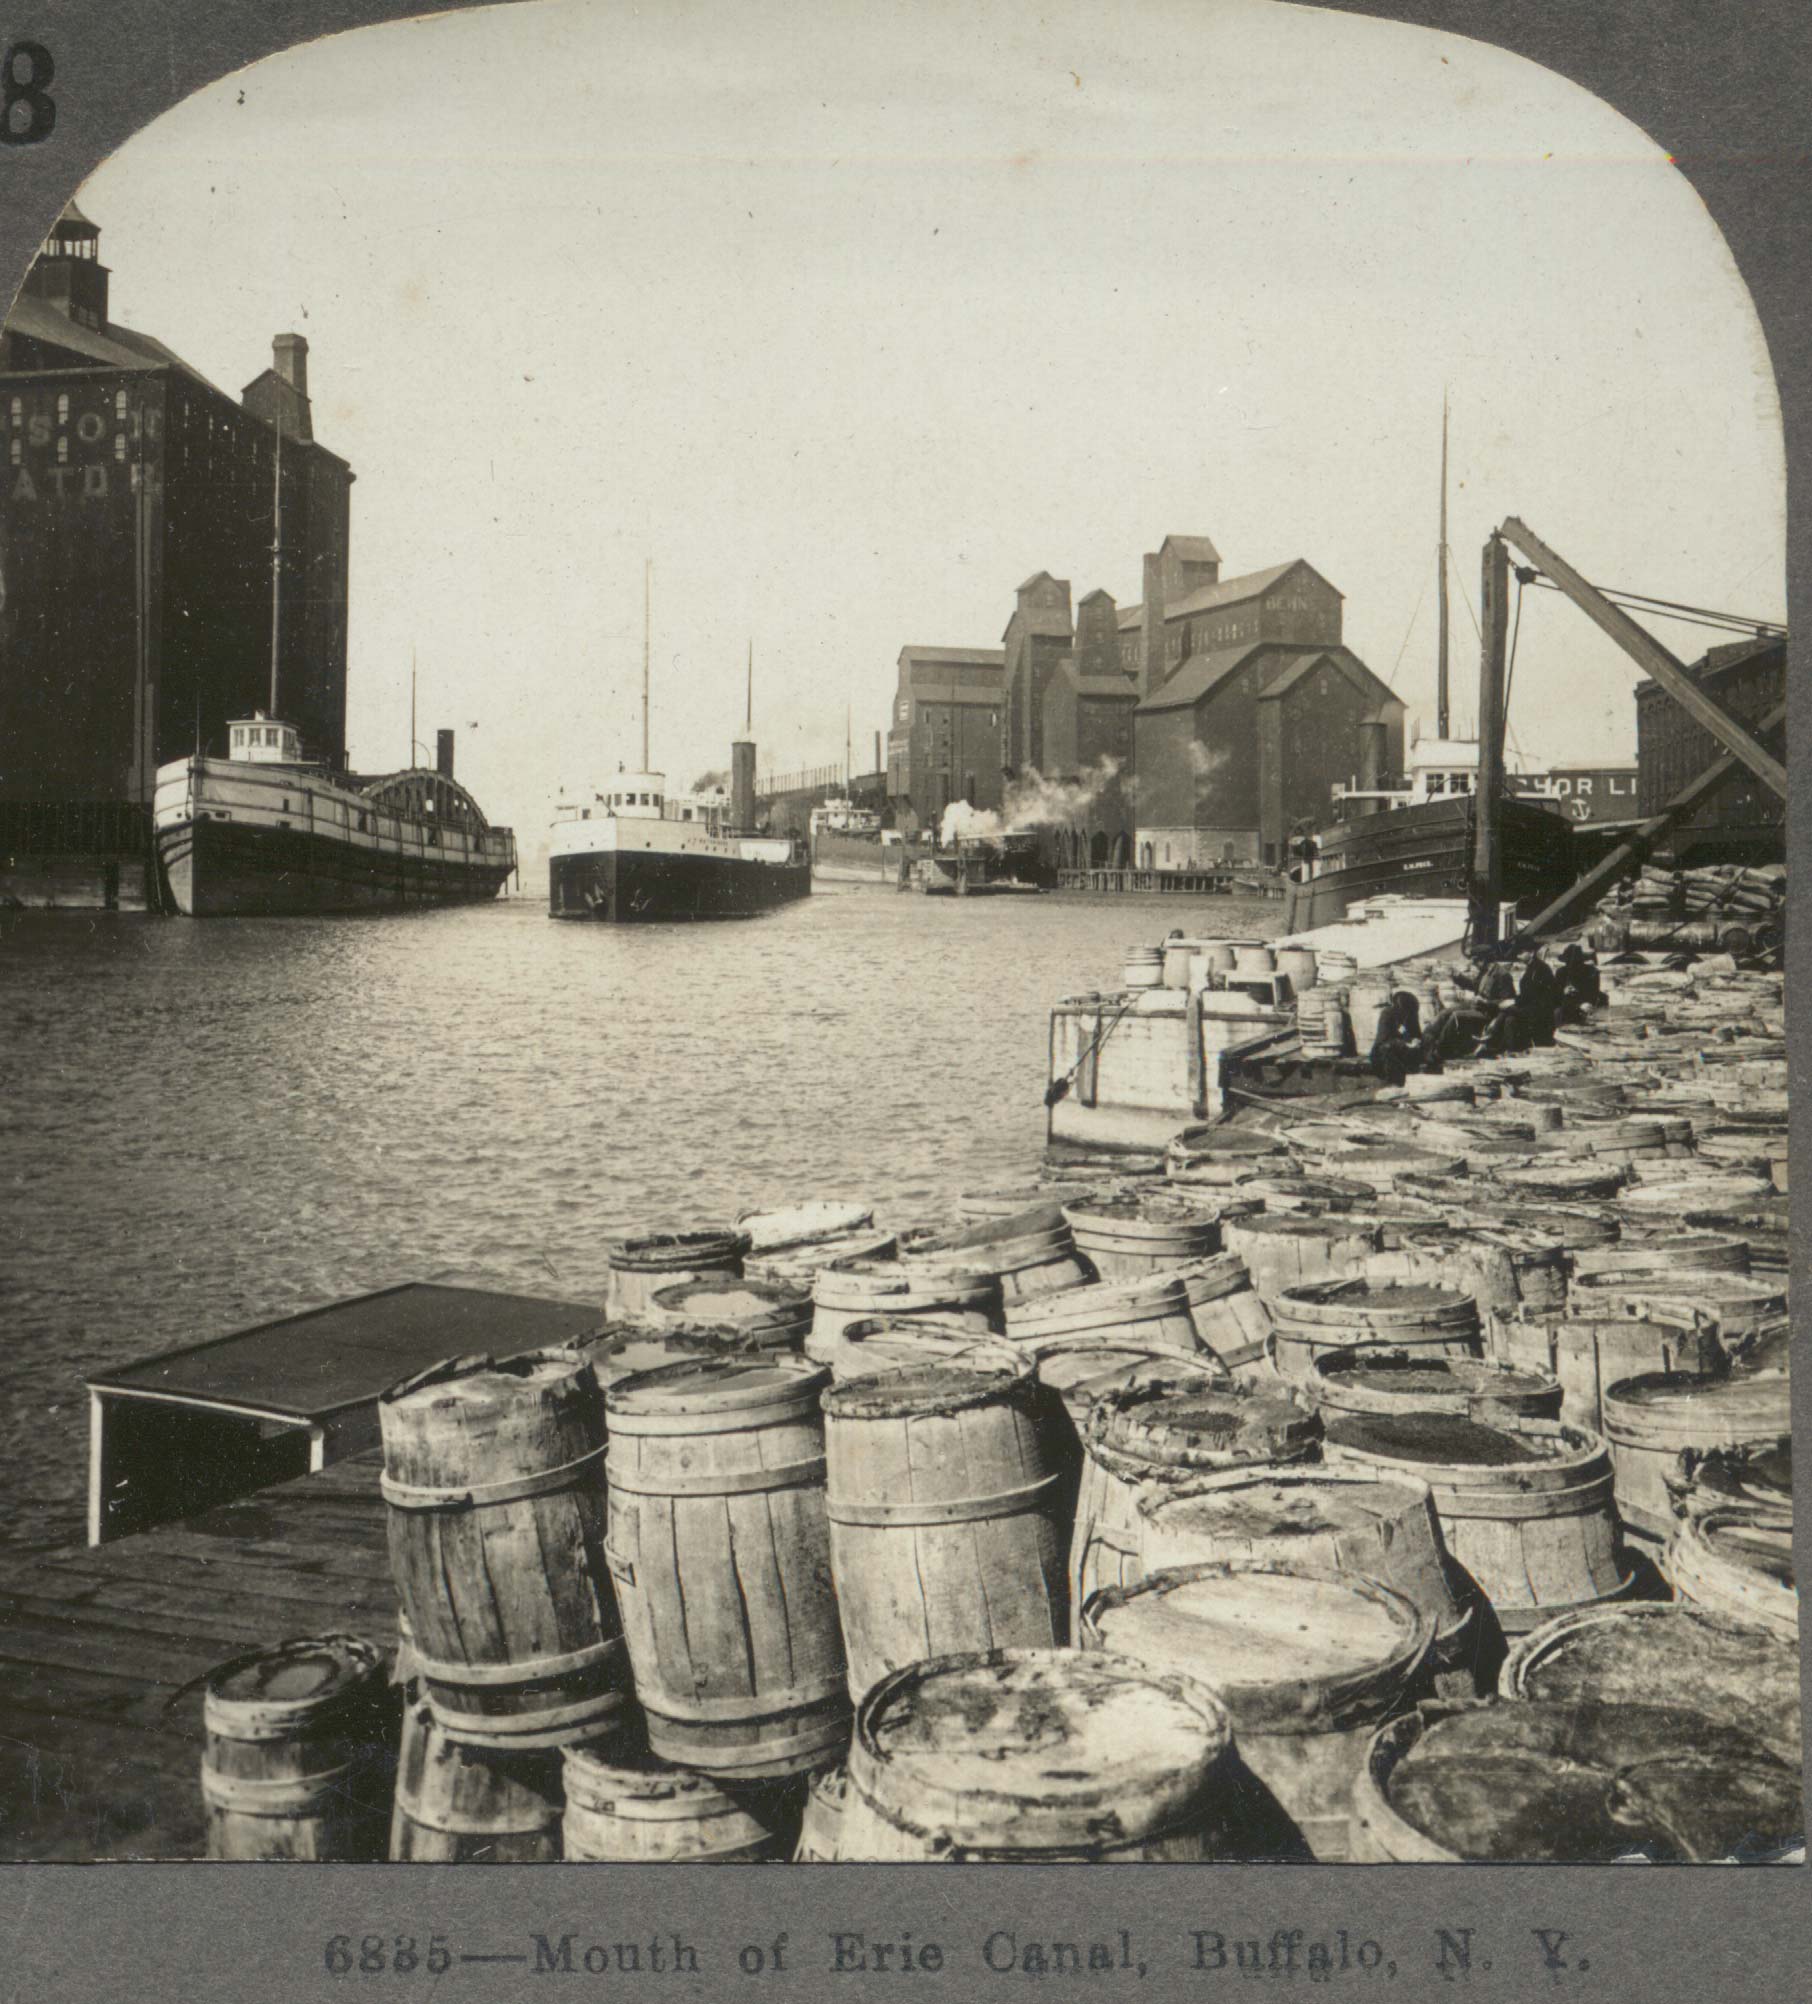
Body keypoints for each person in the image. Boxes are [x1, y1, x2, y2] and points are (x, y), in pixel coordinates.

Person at [1368, 987, 1424, 1086]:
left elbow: (1417, 1034)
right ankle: (1394, 1083)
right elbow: (1384, 1039)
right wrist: (1405, 1044)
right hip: (1384, 1054)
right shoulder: (1387, 1014)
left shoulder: (1411, 1015)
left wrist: (1417, 1040)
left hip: (1405, 1051)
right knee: (1387, 1049)